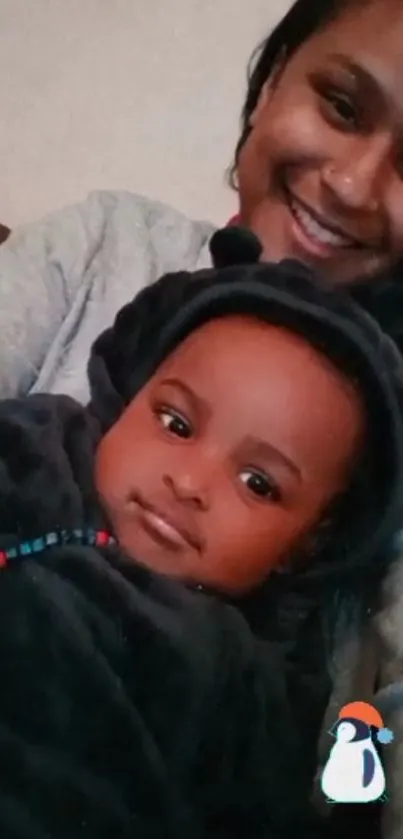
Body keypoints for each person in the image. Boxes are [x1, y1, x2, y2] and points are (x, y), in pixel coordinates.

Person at [0, 227, 403, 839]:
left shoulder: (243, 683)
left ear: (307, 545)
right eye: (177, 422)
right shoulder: (35, 449)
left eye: (258, 483)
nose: (190, 483)